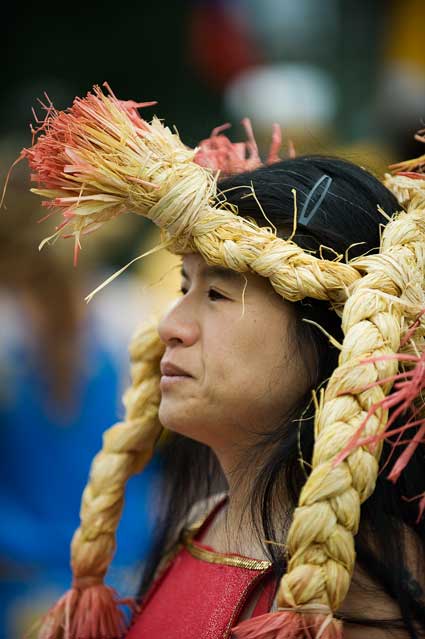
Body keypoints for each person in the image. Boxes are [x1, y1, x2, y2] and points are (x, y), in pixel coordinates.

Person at [17, 86, 425, 639]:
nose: (169, 327)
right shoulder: (199, 523)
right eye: (184, 286)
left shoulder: (359, 604)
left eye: (216, 295)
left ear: (338, 338)